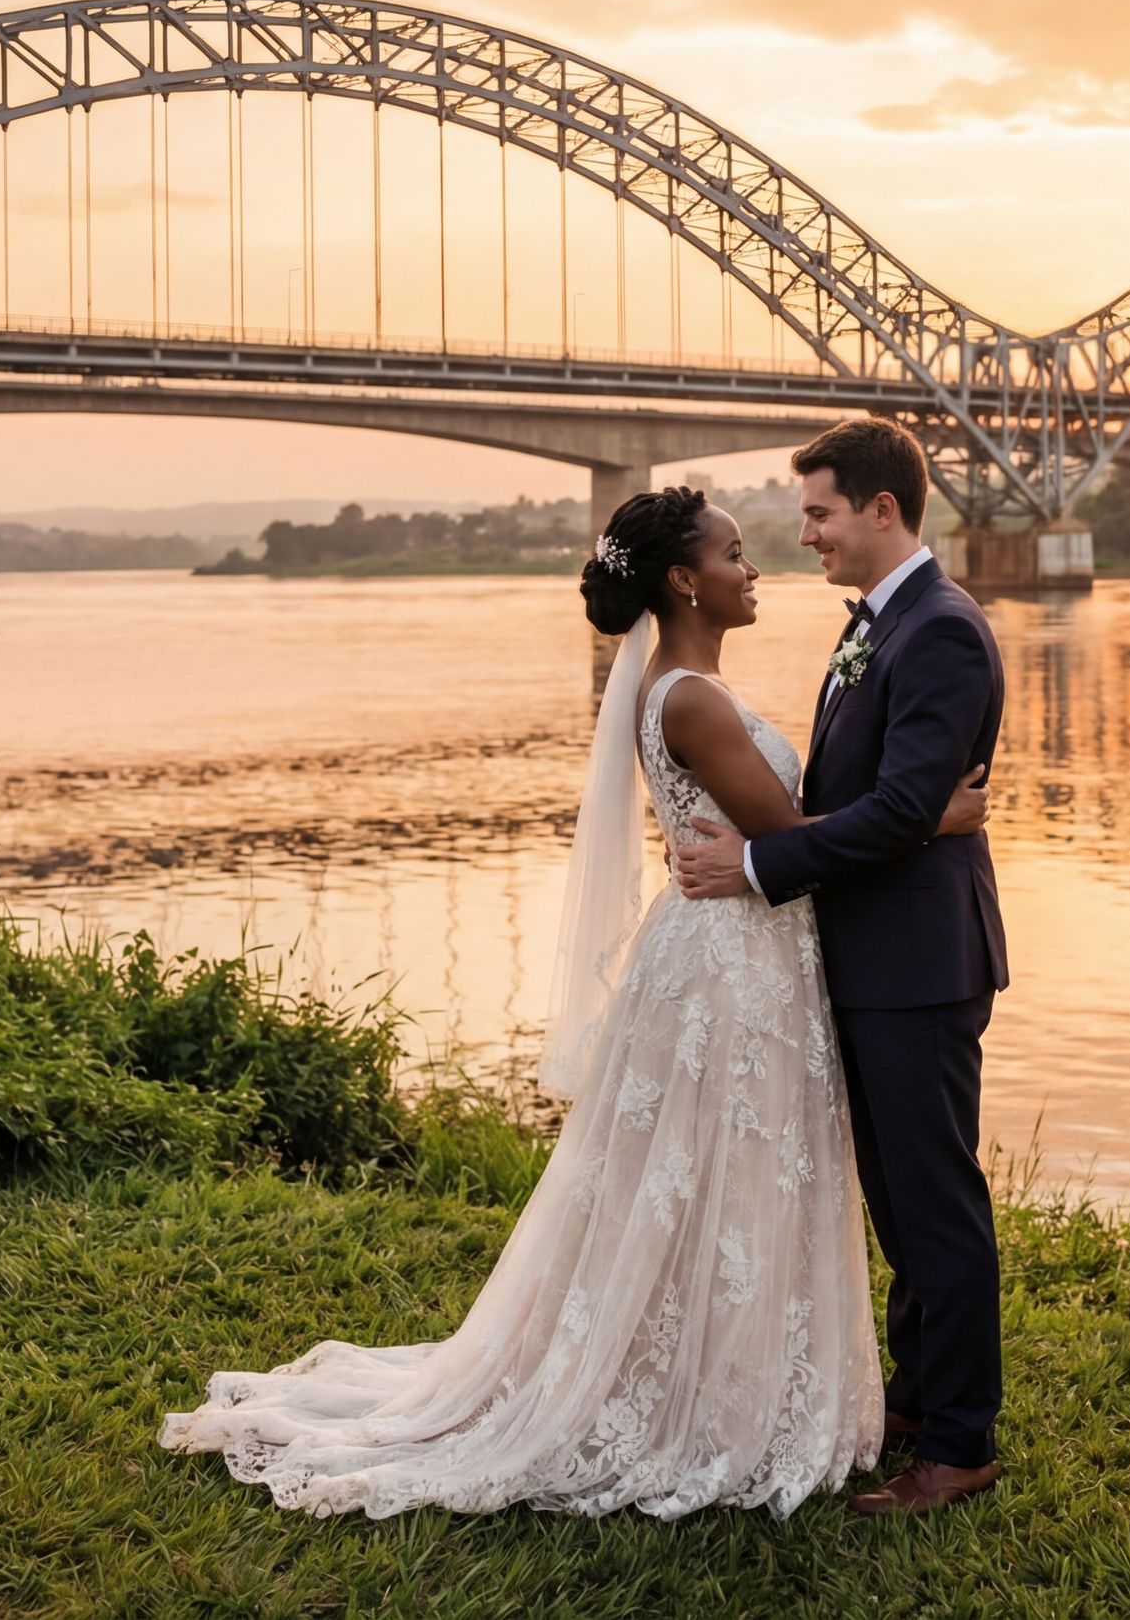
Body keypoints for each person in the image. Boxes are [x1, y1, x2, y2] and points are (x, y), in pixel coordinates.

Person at [161, 483, 988, 1520]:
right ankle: (709, 1400)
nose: (755, 565)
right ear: (686, 579)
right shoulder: (687, 694)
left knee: (716, 1181)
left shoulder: (680, 681)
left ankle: (738, 1379)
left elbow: (785, 833)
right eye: (734, 553)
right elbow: (793, 830)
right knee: (723, 1173)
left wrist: (812, 838)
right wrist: (935, 820)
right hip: (730, 966)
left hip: (736, 949)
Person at [670, 415, 1011, 1518]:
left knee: (934, 1202)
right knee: (898, 1204)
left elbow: (906, 805)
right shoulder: (878, 624)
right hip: (873, 957)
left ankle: (959, 1446)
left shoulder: (940, 632)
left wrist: (763, 860)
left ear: (880, 509)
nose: (803, 533)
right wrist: (916, 822)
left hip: (917, 962)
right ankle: (917, 1395)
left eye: (818, 512)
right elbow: (897, 807)